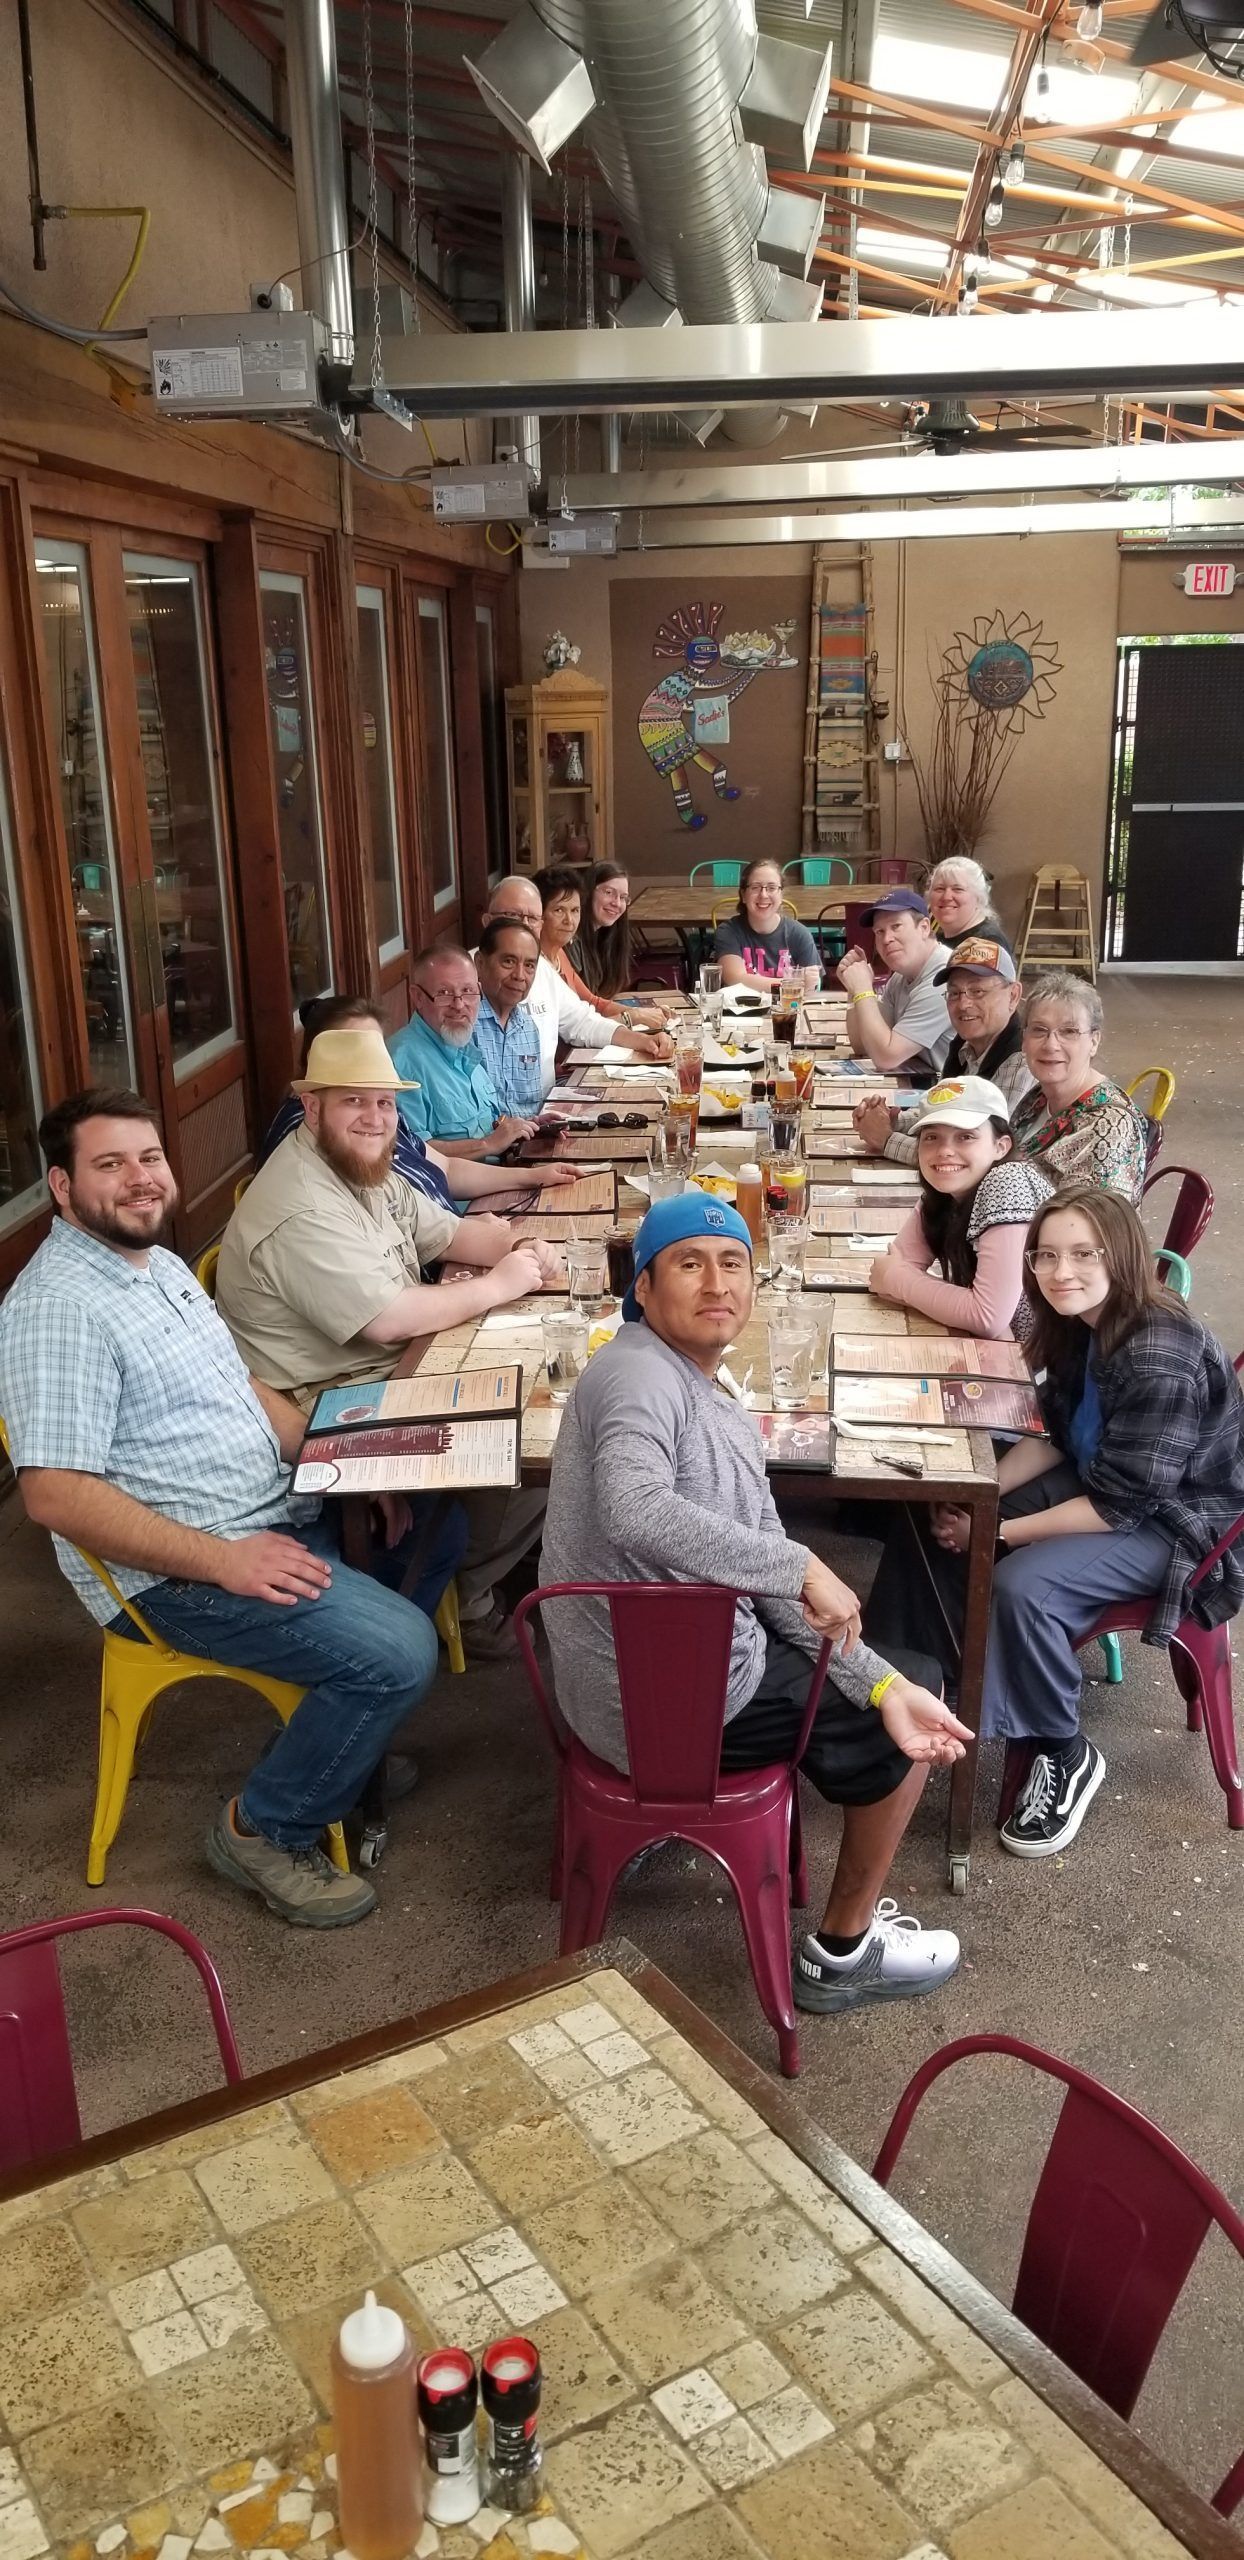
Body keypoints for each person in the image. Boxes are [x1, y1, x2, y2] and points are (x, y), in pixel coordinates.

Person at [0, 1089, 465, 1928]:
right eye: (110, 1165)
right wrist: (225, 1560)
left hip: (266, 1509)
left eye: (149, 1158)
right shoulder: (57, 1308)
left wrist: (338, 1464)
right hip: (182, 1570)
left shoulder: (157, 1262)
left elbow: (241, 1386)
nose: (141, 1180)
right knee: (397, 1651)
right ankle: (262, 1826)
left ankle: (335, 1747)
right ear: (62, 1188)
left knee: (437, 1520)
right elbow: (54, 1494)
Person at [539, 1192, 971, 2015]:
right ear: (645, 1288)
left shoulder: (708, 1396)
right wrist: (802, 1561)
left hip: (652, 1679)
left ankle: (890, 1696)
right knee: (918, 1711)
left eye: (732, 1263)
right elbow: (635, 1505)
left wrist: (880, 1684)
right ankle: (844, 1951)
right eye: (689, 1264)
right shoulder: (634, 1374)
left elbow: (779, 1598)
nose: (716, 1282)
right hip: (667, 1710)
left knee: (904, 1685)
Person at [869, 1189, 1244, 1861]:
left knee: (1024, 1590)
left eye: (1081, 1254)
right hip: (1112, 1482)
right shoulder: (1080, 1323)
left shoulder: (1158, 1350)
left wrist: (997, 1533)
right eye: (1045, 1255)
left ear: (1120, 1254)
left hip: (1178, 1522)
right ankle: (917, 1683)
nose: (1058, 1270)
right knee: (926, 1513)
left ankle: (1065, 1750)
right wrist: (981, 1492)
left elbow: (1118, 1507)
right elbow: (1057, 1434)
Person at [216, 1024, 559, 1655]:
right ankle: (450, 1601)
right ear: (312, 1108)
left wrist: (526, 1248)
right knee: (537, 1436)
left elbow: (450, 1235)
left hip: (394, 1369)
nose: (375, 1118)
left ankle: (455, 1582)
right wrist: (498, 1286)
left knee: (556, 1388)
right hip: (324, 1409)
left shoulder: (358, 1161)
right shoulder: (300, 1202)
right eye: (354, 1101)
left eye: (385, 1102)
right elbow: (390, 1318)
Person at [277, 989, 575, 1209]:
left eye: (373, 1046)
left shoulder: (380, 1110)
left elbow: (443, 1167)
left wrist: (534, 1176)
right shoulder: (309, 1128)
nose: (368, 1059)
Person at [867, 1077, 1053, 1339]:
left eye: (965, 1137)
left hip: (1048, 1368)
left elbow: (988, 1317)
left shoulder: (1009, 1180)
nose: (944, 1151)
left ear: (1001, 1146)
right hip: (1000, 1353)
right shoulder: (945, 1193)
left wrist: (899, 1281)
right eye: (931, 1137)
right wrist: (898, 1280)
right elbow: (889, 1274)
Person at [480, 875, 672, 1093]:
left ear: (540, 924)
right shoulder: (464, 980)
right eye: (512, 915)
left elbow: (583, 1022)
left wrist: (643, 1041)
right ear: (487, 921)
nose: (523, 926)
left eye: (532, 918)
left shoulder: (542, 969)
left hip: (546, 1107)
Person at [853, 938, 1033, 1167]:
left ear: (1013, 995)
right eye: (954, 993)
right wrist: (893, 1119)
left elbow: (983, 1157)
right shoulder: (965, 1045)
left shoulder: (1020, 1059)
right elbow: (947, 1112)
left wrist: (886, 1139)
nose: (963, 1004)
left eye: (977, 991)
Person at [389, 948, 541, 1162]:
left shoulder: (459, 1042)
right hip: (458, 1193)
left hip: (500, 1174)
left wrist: (527, 1128)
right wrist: (488, 1145)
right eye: (443, 994)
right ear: (418, 997)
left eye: (468, 992)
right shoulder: (400, 1061)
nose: (459, 1005)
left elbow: (491, 1126)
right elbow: (413, 1151)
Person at [1012, 972, 1147, 1201]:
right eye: (1039, 1030)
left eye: (1069, 1031)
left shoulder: (1109, 1126)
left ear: (1094, 1041)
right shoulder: (1039, 1098)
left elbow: (1087, 1227)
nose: (1051, 1044)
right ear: (1024, 1038)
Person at [834, 888, 952, 1083]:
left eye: (896, 926)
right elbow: (864, 1045)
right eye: (879, 931)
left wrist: (864, 989)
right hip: (923, 1085)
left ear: (924, 927)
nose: (886, 939)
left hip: (953, 1099)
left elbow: (886, 1057)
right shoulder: (901, 976)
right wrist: (854, 989)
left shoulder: (943, 976)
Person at [537, 866, 665, 1029]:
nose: (569, 920)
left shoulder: (559, 953)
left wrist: (645, 1013)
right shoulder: (537, 964)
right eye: (559, 910)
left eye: (575, 910)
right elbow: (576, 1028)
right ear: (539, 914)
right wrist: (632, 1016)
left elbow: (592, 1002)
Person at [470, 920, 546, 1123]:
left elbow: (531, 1106)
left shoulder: (528, 1028)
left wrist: (539, 1123)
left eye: (529, 966)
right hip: (484, 1150)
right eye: (509, 962)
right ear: (480, 963)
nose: (520, 976)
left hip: (524, 1143)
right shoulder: (464, 1024)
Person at [713, 858, 820, 992]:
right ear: (743, 895)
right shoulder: (728, 931)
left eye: (772, 888)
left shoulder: (799, 933)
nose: (763, 895)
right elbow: (735, 979)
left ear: (781, 894)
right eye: (755, 887)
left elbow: (811, 987)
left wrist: (805, 983)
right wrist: (794, 983)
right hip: (743, 1011)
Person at [570, 863, 638, 1001]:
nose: (617, 903)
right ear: (588, 892)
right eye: (609, 893)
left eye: (623, 897)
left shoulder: (606, 937)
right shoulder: (571, 940)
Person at [926, 858, 1010, 952]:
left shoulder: (986, 945)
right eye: (939, 889)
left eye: (958, 889)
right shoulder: (937, 939)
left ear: (979, 897)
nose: (946, 897)